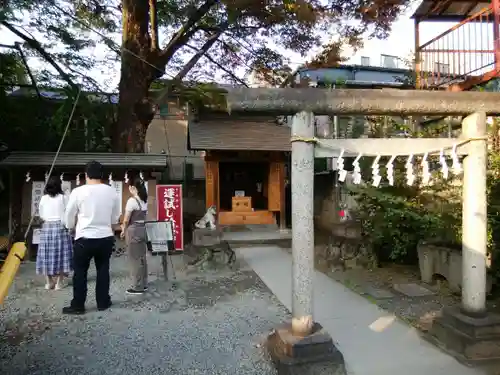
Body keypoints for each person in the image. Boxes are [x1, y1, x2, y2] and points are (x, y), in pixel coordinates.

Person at [63, 161, 120, 315]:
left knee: (80, 272)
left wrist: (70, 227)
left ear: (86, 175)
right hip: (105, 236)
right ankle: (103, 302)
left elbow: (69, 214)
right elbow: (115, 218)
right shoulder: (111, 192)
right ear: (102, 175)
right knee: (103, 270)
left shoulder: (78, 192)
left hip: (84, 237)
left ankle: (78, 305)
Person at [36, 176, 73, 290]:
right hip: (60, 227)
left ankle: (48, 282)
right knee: (62, 254)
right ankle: (59, 283)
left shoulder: (44, 198)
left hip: (47, 227)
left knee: (46, 254)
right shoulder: (63, 198)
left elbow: (41, 215)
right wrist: (70, 227)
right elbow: (68, 213)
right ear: (59, 185)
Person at [120, 178, 148, 295]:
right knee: (142, 258)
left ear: (134, 188)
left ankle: (137, 286)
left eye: (130, 187)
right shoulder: (144, 200)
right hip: (143, 230)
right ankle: (144, 283)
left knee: (134, 259)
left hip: (134, 231)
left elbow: (126, 220)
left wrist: (123, 230)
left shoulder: (132, 201)